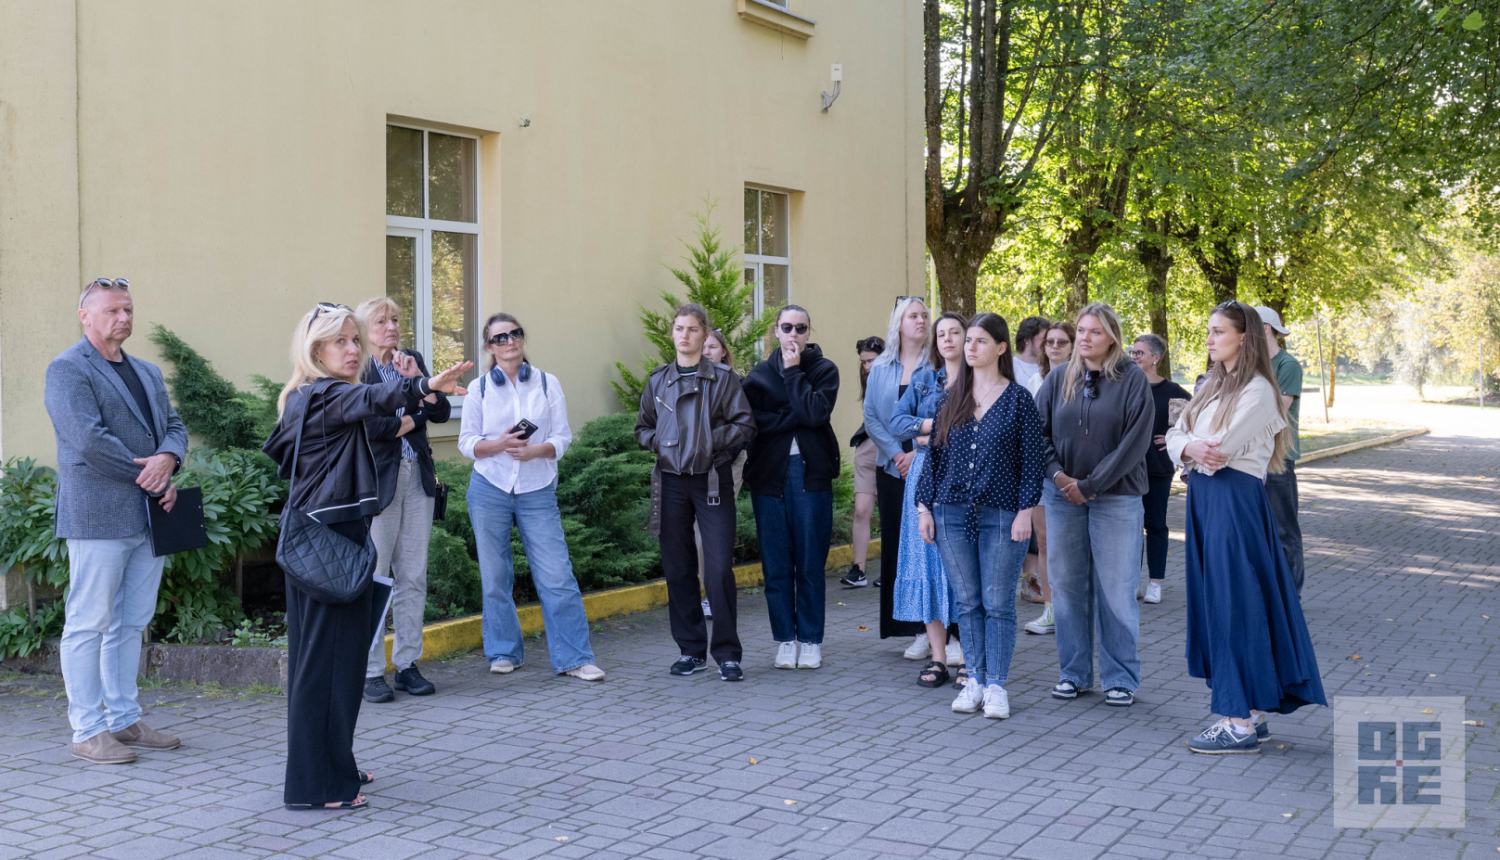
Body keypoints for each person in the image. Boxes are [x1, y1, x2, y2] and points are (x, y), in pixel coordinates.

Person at [263, 302, 470, 810]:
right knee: (326, 667)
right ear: (315, 351)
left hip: (334, 537)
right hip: (327, 543)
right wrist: (424, 385)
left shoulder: (316, 397)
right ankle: (319, 787)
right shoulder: (323, 394)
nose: (353, 350)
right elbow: (382, 399)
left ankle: (335, 765)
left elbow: (379, 414)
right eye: (341, 342)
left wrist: (418, 397)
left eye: (356, 340)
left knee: (338, 663)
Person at [1166, 301, 1326, 753]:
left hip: (1233, 502)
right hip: (1207, 501)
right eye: (1209, 331)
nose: (1210, 339)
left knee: (1233, 604)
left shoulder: (1259, 391)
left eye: (1218, 331)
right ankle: (1250, 713)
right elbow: (1177, 434)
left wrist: (1190, 446)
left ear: (1244, 337)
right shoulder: (1213, 386)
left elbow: (1221, 448)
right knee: (1222, 601)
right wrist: (1189, 446)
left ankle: (1237, 721)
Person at [45, 278, 189, 765]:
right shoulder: (67, 370)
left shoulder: (146, 371)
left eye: (128, 310)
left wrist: (169, 457)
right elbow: (88, 440)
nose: (123, 318)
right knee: (88, 624)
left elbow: (174, 426)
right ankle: (88, 730)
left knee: (131, 623)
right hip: (98, 516)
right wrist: (152, 475)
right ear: (85, 315)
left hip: (148, 516)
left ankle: (124, 719)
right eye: (111, 311)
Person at [460, 313, 605, 682]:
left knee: (557, 575)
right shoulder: (478, 388)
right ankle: (504, 651)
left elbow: (563, 436)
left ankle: (574, 658)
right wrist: (500, 445)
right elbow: (466, 443)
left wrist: (536, 451)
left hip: (536, 489)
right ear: (489, 347)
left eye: (515, 334)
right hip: (489, 487)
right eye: (500, 338)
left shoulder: (546, 383)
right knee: (495, 577)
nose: (509, 341)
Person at [917, 313, 1045, 719]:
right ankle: (973, 679)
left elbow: (1032, 462)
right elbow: (934, 458)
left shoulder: (1018, 399)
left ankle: (996, 685)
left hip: (1004, 513)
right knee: (968, 602)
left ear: (1001, 348)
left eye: (979, 341)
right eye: (967, 340)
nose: (970, 347)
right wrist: (924, 507)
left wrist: (1025, 510)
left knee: (997, 601)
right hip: (951, 512)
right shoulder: (950, 398)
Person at [1034, 302, 1153, 708]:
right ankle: (1074, 673)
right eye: (1081, 331)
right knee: (1067, 587)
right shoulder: (1057, 379)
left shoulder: (1132, 380)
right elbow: (1038, 435)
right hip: (1062, 496)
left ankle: (1120, 678)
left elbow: (1134, 443)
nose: (1084, 338)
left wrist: (1091, 484)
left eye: (1094, 332)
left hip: (1116, 498)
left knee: (1116, 590)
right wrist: (1059, 478)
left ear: (1113, 338)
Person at [636, 304, 757, 681]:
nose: (684, 335)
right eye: (678, 329)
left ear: (705, 335)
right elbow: (642, 429)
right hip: (670, 482)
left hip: (712, 481)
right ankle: (691, 650)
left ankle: (727, 654)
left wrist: (705, 442)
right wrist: (664, 442)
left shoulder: (723, 379)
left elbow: (744, 425)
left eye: (692, 329)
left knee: (719, 568)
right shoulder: (658, 381)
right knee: (678, 568)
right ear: (671, 334)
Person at [355, 297, 452, 703]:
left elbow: (442, 409)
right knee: (375, 575)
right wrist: (415, 415)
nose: (391, 327)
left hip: (418, 478)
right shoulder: (358, 368)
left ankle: (407, 664)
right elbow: (374, 426)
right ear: (363, 328)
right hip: (379, 481)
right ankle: (370, 669)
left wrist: (419, 387)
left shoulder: (409, 360)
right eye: (381, 321)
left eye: (395, 319)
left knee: (413, 573)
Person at [743, 305, 840, 670]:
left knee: (811, 563)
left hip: (810, 474)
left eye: (801, 328)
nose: (794, 334)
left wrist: (795, 373)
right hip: (770, 475)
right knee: (776, 564)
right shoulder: (758, 375)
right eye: (787, 327)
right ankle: (785, 639)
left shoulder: (823, 370)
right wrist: (795, 413)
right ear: (776, 331)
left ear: (808, 332)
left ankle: (811, 640)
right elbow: (754, 423)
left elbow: (816, 414)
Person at [890, 312, 967, 687]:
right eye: (941, 334)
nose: (947, 339)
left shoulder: (979, 381)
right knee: (925, 564)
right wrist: (934, 429)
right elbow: (897, 421)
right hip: (924, 477)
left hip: (965, 478)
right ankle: (938, 658)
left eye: (955, 333)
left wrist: (932, 435)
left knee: (965, 568)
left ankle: (969, 658)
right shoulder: (923, 379)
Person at [862, 296, 933, 655]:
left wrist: (917, 453)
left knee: (930, 545)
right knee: (898, 545)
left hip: (932, 464)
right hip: (894, 468)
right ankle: (912, 629)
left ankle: (938, 628)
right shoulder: (882, 367)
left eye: (924, 314)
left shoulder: (938, 365)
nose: (921, 320)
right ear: (899, 324)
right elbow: (872, 416)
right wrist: (897, 454)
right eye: (913, 315)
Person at [1022, 321, 1074, 636]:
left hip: (1074, 473)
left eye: (1061, 342)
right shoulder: (1033, 381)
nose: (1054, 347)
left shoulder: (1083, 379)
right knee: (1044, 541)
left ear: (1072, 347)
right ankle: (1051, 609)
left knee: (1073, 544)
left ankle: (1076, 607)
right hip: (1040, 470)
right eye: (1049, 342)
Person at [1131, 333, 1189, 605]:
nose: (1134, 357)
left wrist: (1171, 437)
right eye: (1133, 352)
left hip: (1156, 468)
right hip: (1125, 470)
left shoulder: (1173, 392)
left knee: (1154, 525)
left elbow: (1191, 422)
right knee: (1129, 527)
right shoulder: (1124, 385)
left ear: (1156, 357)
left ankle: (1155, 583)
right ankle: (1131, 581)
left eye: (1140, 353)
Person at [695, 329, 749, 619]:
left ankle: (715, 595)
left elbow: (743, 428)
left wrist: (721, 456)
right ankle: (708, 592)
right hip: (694, 468)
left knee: (714, 531)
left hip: (727, 464)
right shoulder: (687, 379)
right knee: (695, 532)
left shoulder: (734, 382)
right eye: (702, 346)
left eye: (712, 347)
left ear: (724, 352)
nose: (706, 351)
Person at [1253, 306, 1306, 595]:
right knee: (1258, 530)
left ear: (1265, 328)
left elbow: (1277, 411)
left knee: (1284, 528)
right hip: (1251, 458)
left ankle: (1291, 592)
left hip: (1278, 460)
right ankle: (1268, 590)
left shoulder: (1288, 365)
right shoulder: (1251, 364)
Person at [1012, 316, 1050, 606]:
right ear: (1028, 340)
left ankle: (1032, 583)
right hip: (1011, 456)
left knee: (1038, 528)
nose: (1049, 345)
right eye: (1044, 339)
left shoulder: (1045, 370)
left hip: (1036, 455)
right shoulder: (1011, 368)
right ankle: (1022, 580)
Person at [842, 336, 885, 588]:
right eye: (864, 362)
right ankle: (858, 569)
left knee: (891, 513)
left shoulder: (899, 374)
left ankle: (890, 570)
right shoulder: (868, 377)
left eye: (872, 361)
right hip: (868, 446)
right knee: (861, 510)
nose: (868, 367)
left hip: (892, 447)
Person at [1012, 316, 1050, 390]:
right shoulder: (1009, 368)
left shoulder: (1050, 366)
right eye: (1043, 339)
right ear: (1027, 340)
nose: (1047, 343)